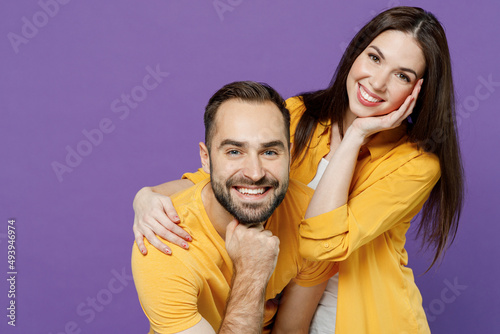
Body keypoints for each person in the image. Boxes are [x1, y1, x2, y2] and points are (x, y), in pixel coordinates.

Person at [132, 7, 464, 334]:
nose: (377, 82)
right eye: (374, 58)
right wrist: (147, 197)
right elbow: (222, 180)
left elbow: (320, 244)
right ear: (355, 54)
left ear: (419, 92)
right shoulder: (298, 114)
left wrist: (355, 137)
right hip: (286, 307)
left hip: (367, 319)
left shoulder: (417, 164)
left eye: (402, 75)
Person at [131, 81, 338, 334]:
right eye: (234, 151)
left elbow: (290, 330)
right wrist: (251, 272)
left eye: (270, 152)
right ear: (206, 159)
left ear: (289, 157)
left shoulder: (312, 219)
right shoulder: (164, 243)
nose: (254, 173)